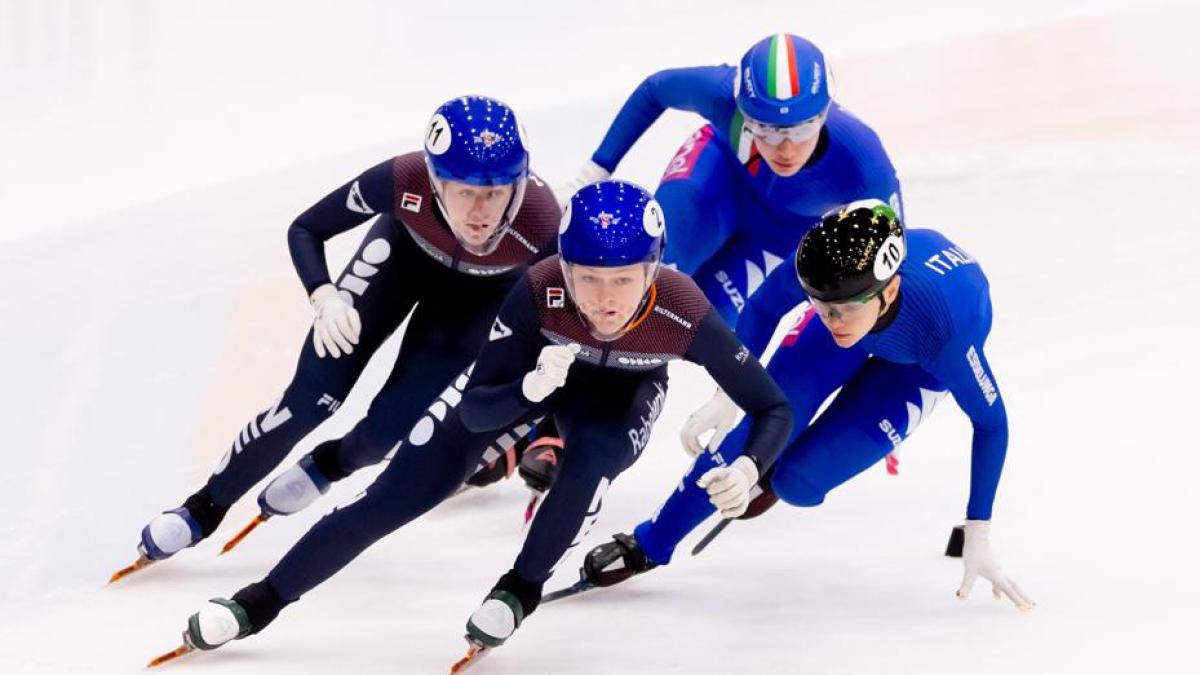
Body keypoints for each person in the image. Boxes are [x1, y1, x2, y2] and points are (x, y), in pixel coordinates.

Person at [164, 180, 793, 661]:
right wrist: (528, 387)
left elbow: (772, 406)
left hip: (618, 398)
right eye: (587, 279)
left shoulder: (683, 310)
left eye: (624, 281)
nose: (604, 299)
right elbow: (476, 409)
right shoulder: (538, 290)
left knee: (591, 460)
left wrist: (748, 463)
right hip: (534, 376)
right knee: (394, 494)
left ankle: (520, 586)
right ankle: (261, 602)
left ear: (653, 272)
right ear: (563, 269)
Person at [117, 95, 561, 577]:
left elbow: (560, 325)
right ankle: (201, 509)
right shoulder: (400, 180)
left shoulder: (543, 223)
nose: (480, 212)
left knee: (388, 432)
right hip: (400, 263)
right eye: (463, 191)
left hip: (476, 301)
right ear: (433, 181)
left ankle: (328, 466)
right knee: (307, 404)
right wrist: (323, 294)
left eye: (496, 194)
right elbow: (306, 228)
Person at [580, 200, 1035, 611]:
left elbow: (992, 424)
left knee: (799, 482)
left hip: (919, 360)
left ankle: (778, 474)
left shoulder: (947, 333)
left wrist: (978, 531)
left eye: (841, 309)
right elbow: (761, 309)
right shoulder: (825, 270)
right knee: (758, 429)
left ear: (888, 292)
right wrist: (727, 393)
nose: (831, 320)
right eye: (818, 305)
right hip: (877, 319)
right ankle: (652, 542)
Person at [522, 32, 903, 472]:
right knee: (633, 280)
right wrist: (596, 168)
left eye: (799, 130)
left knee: (684, 323)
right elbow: (655, 89)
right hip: (713, 183)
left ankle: (577, 416)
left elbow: (887, 276)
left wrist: (871, 385)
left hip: (774, 240)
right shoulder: (723, 94)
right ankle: (545, 418)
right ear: (743, 110)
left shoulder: (863, 161)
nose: (783, 147)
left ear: (824, 113)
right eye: (762, 128)